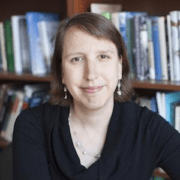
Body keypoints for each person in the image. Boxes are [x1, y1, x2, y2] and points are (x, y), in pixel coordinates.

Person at [13, 12, 180, 180]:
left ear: (119, 67)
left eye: (103, 57)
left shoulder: (148, 127)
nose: (91, 74)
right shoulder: (33, 125)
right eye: (77, 59)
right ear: (62, 72)